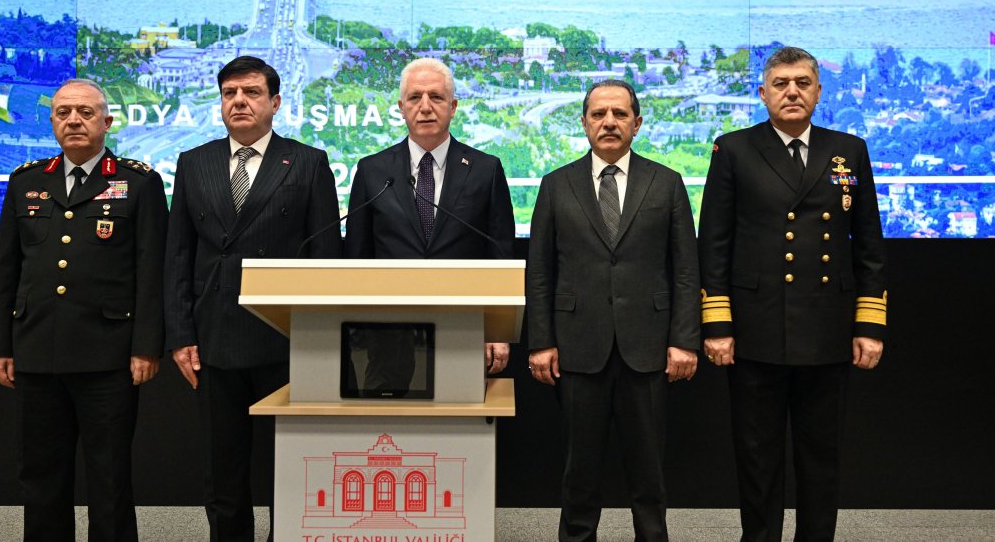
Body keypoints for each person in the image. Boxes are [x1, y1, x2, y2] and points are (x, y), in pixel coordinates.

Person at [698, 46, 887, 542]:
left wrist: (869, 324)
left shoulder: (849, 150)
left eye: (802, 82)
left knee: (821, 458)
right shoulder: (733, 149)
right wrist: (717, 324)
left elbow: (868, 244)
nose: (792, 92)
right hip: (755, 330)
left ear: (819, 92)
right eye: (781, 83)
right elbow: (713, 244)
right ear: (763, 93)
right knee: (758, 458)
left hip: (827, 329)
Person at [0, 78, 167, 542]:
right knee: (41, 476)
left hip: (108, 357)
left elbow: (151, 271)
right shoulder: (26, 182)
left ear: (107, 122)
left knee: (109, 478)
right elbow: (5, 270)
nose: (73, 121)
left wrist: (148, 346)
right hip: (37, 352)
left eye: (85, 112)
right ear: (52, 123)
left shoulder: (137, 182)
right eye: (63, 112)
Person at [164, 56, 341, 541]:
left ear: (275, 102)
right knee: (223, 471)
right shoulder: (193, 163)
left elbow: (327, 259)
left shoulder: (307, 162)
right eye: (229, 94)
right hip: (214, 340)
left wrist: (322, 340)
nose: (239, 101)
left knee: (289, 468)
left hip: (286, 340)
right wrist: (180, 335)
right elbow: (178, 256)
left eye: (251, 92)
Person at [526, 79, 701, 542]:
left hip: (648, 348)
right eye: (599, 114)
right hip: (578, 347)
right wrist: (541, 341)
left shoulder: (667, 183)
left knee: (648, 474)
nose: (609, 122)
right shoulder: (555, 184)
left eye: (620, 114)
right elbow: (539, 272)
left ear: (637, 123)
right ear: (584, 123)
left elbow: (686, 270)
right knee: (580, 472)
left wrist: (685, 340)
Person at [344, 57, 515, 375]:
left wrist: (497, 330)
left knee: (462, 423)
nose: (425, 107)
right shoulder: (372, 171)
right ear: (401, 107)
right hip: (388, 332)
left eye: (436, 97)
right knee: (390, 422)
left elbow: (500, 255)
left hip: (465, 327)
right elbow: (358, 255)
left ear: (453, 106)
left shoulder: (485, 170)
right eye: (415, 97)